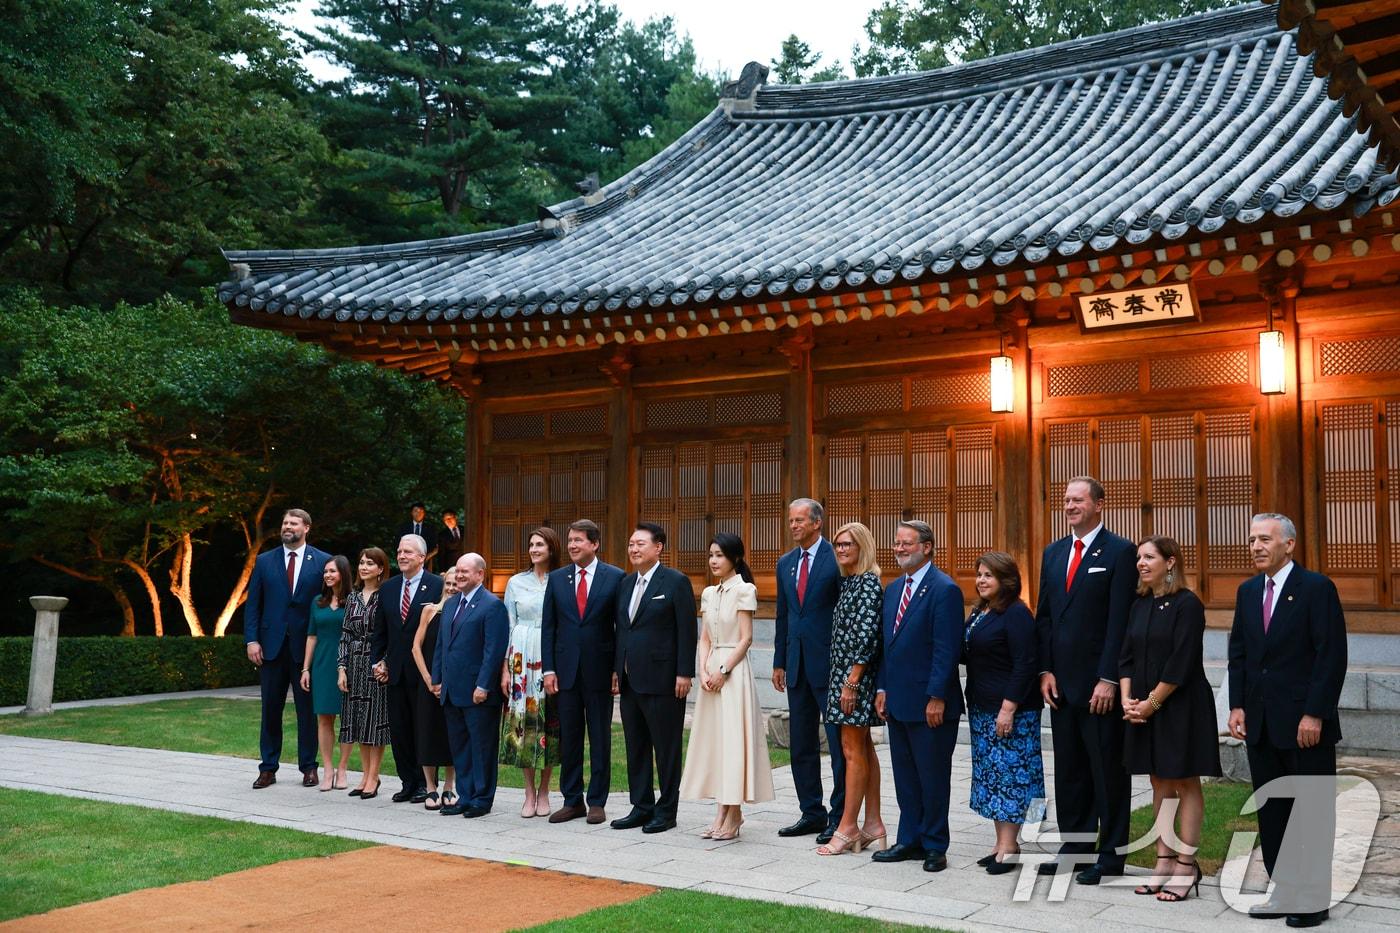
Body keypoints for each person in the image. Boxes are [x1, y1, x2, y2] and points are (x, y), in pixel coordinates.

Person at [1228, 513, 1347, 928]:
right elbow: (1239, 654)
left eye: (1265, 539)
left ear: (1289, 544)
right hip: (1260, 722)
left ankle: (1314, 899)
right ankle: (1285, 889)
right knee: (1273, 811)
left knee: (1311, 812)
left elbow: (1330, 656)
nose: (1256, 546)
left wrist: (1315, 712)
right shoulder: (1246, 592)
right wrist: (1237, 705)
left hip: (1304, 725)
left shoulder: (1316, 589)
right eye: (1252, 539)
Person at [1035, 476, 1137, 884]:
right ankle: (1074, 848)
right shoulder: (1054, 552)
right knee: (1071, 772)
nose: (1070, 506)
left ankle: (1111, 856)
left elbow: (1120, 621)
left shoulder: (1120, 552)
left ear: (1099, 504)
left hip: (1099, 687)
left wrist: (1109, 678)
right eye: (1066, 500)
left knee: (1107, 772)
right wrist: (1044, 670)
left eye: (1078, 500)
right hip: (1061, 685)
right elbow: (1044, 616)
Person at [1118, 535, 1220, 902]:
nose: (1141, 563)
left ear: (1171, 562)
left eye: (1149, 557)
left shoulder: (1187, 605)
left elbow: (1181, 662)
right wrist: (1128, 699)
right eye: (1139, 558)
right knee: (1159, 781)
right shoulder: (1139, 604)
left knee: (1184, 780)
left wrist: (1152, 704)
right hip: (1144, 705)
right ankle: (1162, 861)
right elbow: (1125, 656)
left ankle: (1186, 864)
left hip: (1180, 705)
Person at [872, 520, 964, 874]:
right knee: (906, 778)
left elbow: (946, 649)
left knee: (933, 777)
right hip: (898, 701)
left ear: (927, 547)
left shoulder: (944, 590)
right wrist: (882, 688)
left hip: (931, 705)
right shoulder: (893, 590)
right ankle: (908, 839)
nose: (899, 548)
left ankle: (935, 845)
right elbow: (887, 647)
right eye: (896, 543)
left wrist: (937, 695)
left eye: (906, 543)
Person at [679, 533, 774, 839]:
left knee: (733, 743)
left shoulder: (745, 590)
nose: (714, 561)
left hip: (733, 675)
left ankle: (732, 811)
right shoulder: (708, 593)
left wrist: (722, 669)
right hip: (711, 673)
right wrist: (704, 668)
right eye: (711, 555)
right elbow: (704, 637)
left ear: (734, 558)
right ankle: (721, 808)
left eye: (719, 555)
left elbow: (746, 638)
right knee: (716, 744)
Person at [611, 522, 696, 835]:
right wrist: (617, 670)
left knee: (667, 747)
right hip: (631, 679)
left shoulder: (675, 582)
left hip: (664, 679)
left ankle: (666, 810)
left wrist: (685, 672)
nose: (634, 549)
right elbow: (623, 631)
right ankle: (641, 806)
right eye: (631, 544)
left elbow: (687, 631)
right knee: (636, 745)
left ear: (658, 547)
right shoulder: (625, 584)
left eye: (640, 544)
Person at [963, 551, 1045, 874]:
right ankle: (1000, 843)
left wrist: (1008, 708)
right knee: (992, 778)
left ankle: (1010, 846)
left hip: (1010, 711)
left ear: (1006, 580)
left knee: (1010, 777)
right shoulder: (982, 611)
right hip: (982, 708)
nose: (981, 580)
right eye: (979, 574)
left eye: (989, 575)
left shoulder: (1016, 614)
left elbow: (1025, 663)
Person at [772, 497, 846, 845]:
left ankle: (840, 815)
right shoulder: (785, 562)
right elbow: (784, 616)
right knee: (801, 743)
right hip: (797, 664)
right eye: (791, 521)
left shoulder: (837, 558)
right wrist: (779, 661)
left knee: (836, 743)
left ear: (818, 523)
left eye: (800, 520)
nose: (794, 526)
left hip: (830, 665)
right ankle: (811, 812)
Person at [541, 519, 624, 824]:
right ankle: (572, 799)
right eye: (570, 539)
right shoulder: (558, 578)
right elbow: (549, 627)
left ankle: (597, 801)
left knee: (600, 736)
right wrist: (548, 669)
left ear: (594, 544)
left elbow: (620, 629)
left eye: (579, 540)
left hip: (600, 671)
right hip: (564, 672)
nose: (573, 545)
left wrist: (618, 669)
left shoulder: (614, 577)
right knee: (569, 737)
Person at [815, 522, 887, 856]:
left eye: (848, 545)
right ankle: (874, 825)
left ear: (862, 547)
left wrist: (851, 683)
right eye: (838, 545)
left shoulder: (869, 583)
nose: (841, 550)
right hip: (843, 676)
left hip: (854, 680)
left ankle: (847, 828)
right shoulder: (849, 583)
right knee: (863, 748)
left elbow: (868, 637)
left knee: (851, 749)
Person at [245, 509, 330, 789]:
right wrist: (251, 640)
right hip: (270, 648)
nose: (287, 527)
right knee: (271, 709)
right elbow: (253, 604)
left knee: (307, 711)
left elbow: (328, 604)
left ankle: (309, 767)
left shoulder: (322, 561)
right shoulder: (265, 561)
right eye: (284, 523)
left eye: (293, 523)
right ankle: (268, 768)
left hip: (305, 649)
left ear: (306, 527)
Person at [434, 552, 510, 818]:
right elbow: (442, 645)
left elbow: (494, 650)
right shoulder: (452, 604)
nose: (460, 575)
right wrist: (437, 680)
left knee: (482, 747)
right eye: (458, 571)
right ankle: (464, 796)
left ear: (480, 574)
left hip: (479, 692)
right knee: (460, 747)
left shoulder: (492, 605)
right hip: (452, 690)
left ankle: (482, 798)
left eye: (467, 570)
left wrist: (483, 686)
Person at [370, 534, 444, 803]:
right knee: (400, 730)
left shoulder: (437, 586)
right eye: (399, 551)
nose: (401, 556)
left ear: (422, 557)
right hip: (395, 672)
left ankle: (428, 784)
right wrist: (378, 661)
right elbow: (381, 632)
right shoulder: (388, 589)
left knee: (424, 728)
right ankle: (408, 782)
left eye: (408, 552)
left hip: (424, 672)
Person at [500, 527, 563, 818]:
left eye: (540, 544)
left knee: (548, 722)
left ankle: (546, 790)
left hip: (549, 653)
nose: (535, 549)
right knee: (522, 723)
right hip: (520, 656)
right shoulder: (516, 582)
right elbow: (509, 625)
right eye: (531, 544)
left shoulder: (561, 580)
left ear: (552, 548)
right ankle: (528, 792)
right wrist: (505, 668)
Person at [339, 548, 392, 798]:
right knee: (359, 720)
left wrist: (384, 662)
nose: (364, 566)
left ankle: (374, 776)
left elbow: (392, 633)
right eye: (361, 562)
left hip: (375, 662)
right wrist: (341, 668)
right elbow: (346, 634)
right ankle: (364, 775)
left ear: (380, 568)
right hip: (354, 663)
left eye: (370, 563)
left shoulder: (386, 596)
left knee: (374, 721)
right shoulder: (352, 598)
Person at [300, 555, 352, 792]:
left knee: (347, 719)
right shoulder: (317, 601)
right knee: (323, 718)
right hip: (321, 664)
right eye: (325, 572)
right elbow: (311, 636)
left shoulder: (353, 600)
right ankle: (328, 769)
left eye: (332, 571)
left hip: (348, 665)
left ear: (343, 572)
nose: (327, 575)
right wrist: (305, 668)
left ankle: (343, 768)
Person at [411, 565, 460, 810]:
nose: (451, 588)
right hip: (428, 683)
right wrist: (429, 679)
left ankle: (450, 786)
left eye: (455, 584)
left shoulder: (462, 613)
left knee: (450, 735)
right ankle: (431, 787)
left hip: (453, 685)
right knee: (427, 732)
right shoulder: (429, 611)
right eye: (448, 584)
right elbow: (416, 648)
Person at [396, 502, 439, 569]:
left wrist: (426, 557)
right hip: (407, 560)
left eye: (421, 511)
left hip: (425, 562)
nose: (418, 513)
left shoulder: (430, 529)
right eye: (416, 511)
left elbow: (434, 547)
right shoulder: (404, 528)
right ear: (412, 513)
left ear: (424, 513)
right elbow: (398, 544)